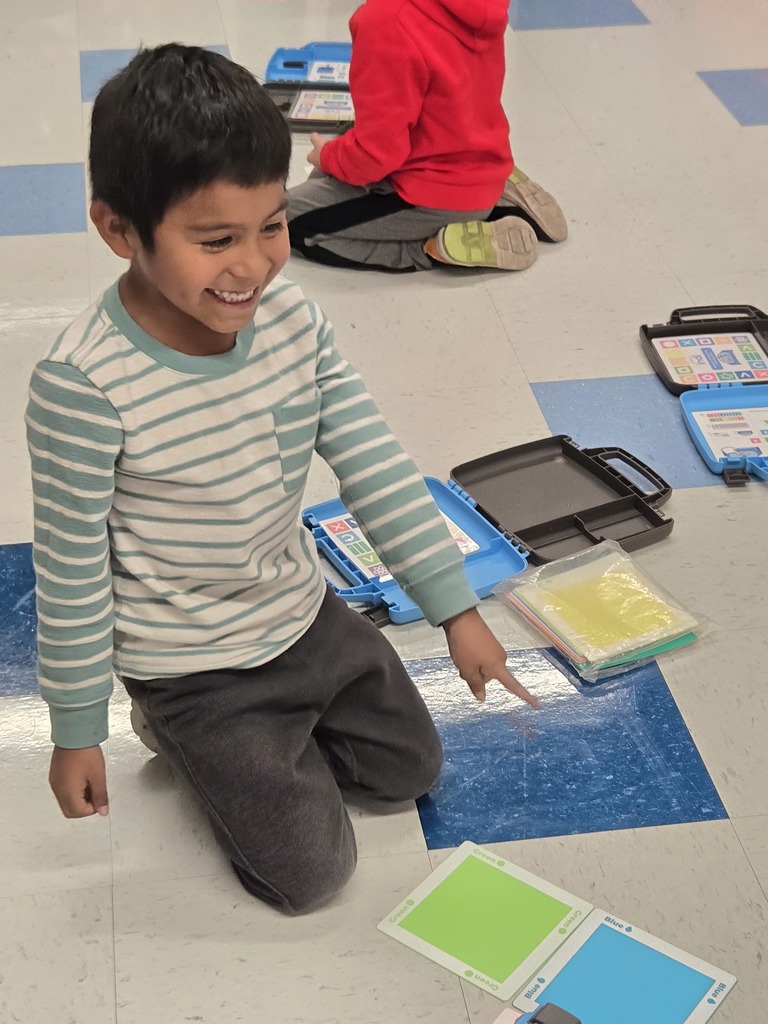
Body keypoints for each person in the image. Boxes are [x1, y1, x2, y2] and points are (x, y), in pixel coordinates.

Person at [26, 44, 539, 915]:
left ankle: (265, 745)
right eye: (214, 241)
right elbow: (70, 570)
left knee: (409, 771)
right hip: (192, 667)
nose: (253, 266)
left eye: (271, 225)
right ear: (119, 231)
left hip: (303, 615)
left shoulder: (294, 320)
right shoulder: (82, 385)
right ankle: (181, 736)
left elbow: (374, 462)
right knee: (308, 878)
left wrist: (457, 611)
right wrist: (76, 731)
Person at [287, 0, 567, 274]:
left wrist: (327, 157)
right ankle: (499, 198)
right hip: (484, 163)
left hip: (429, 192)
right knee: (333, 170)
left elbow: (375, 156)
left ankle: (430, 247)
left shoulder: (385, 21)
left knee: (286, 220)